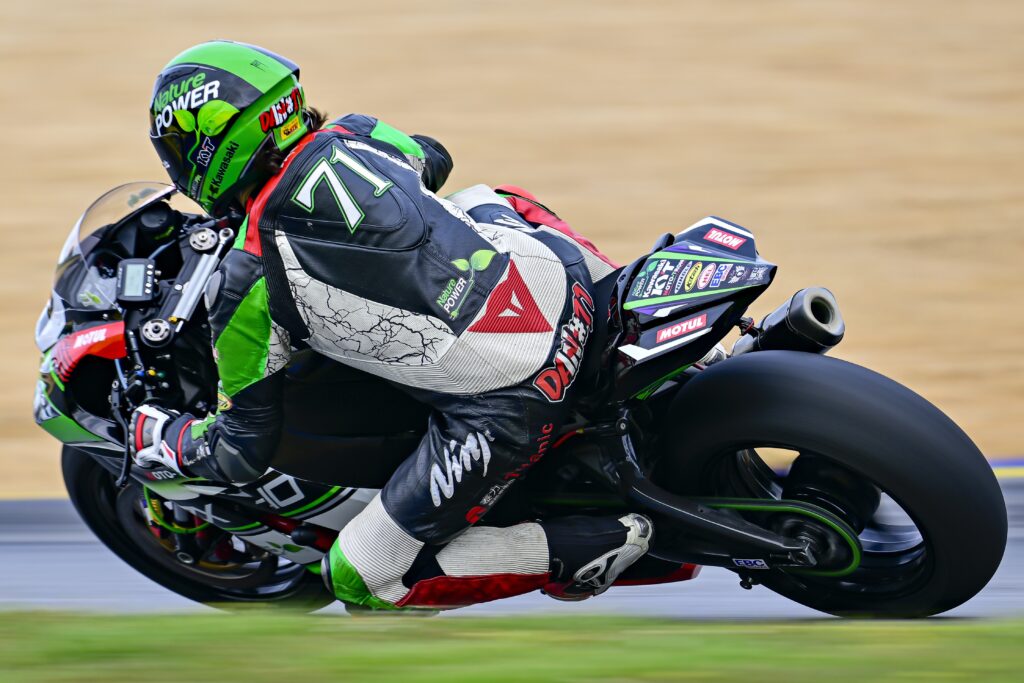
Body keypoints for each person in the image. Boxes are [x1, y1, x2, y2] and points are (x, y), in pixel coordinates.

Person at [131, 40, 652, 610]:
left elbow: (240, 451)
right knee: (485, 198)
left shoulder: (244, 278)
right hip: (565, 285)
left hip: (517, 396)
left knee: (362, 578)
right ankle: (644, 318)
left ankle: (596, 544)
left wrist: (164, 439)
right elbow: (433, 157)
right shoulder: (356, 133)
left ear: (210, 144)